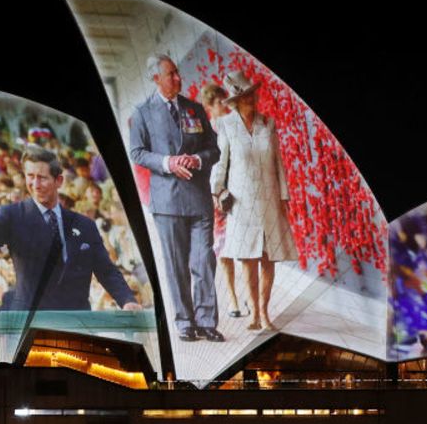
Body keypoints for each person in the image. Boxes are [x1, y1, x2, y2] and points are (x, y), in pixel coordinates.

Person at [0, 144, 139, 312]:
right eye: (30, 176)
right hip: (32, 323)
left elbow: (106, 269)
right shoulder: (13, 215)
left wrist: (127, 300)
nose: (35, 184)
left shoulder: (84, 225)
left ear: (58, 181)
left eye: (42, 178)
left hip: (78, 323)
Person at [128, 54, 224, 342]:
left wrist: (196, 159)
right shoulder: (142, 113)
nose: (178, 78)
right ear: (156, 78)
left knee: (204, 260)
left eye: (177, 73)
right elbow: (137, 152)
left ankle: (207, 320)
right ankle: (185, 321)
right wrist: (168, 162)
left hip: (198, 198)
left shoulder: (195, 109)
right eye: (171, 74)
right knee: (175, 263)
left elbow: (213, 149)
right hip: (167, 201)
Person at [210, 71, 299, 331]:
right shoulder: (226, 125)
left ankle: (264, 312)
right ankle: (253, 316)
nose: (251, 99)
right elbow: (221, 162)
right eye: (245, 96)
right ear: (236, 100)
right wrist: (217, 191)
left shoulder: (267, 124)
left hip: (269, 199)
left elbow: (278, 163)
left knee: (268, 257)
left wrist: (284, 196)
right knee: (248, 258)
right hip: (242, 202)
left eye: (252, 94)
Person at [199, 82, 242, 319]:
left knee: (248, 246)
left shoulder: (236, 125)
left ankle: (249, 298)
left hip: (240, 191)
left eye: (223, 100)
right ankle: (233, 299)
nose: (222, 106)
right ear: (209, 107)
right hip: (218, 195)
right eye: (216, 102)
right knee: (224, 249)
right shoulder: (209, 133)